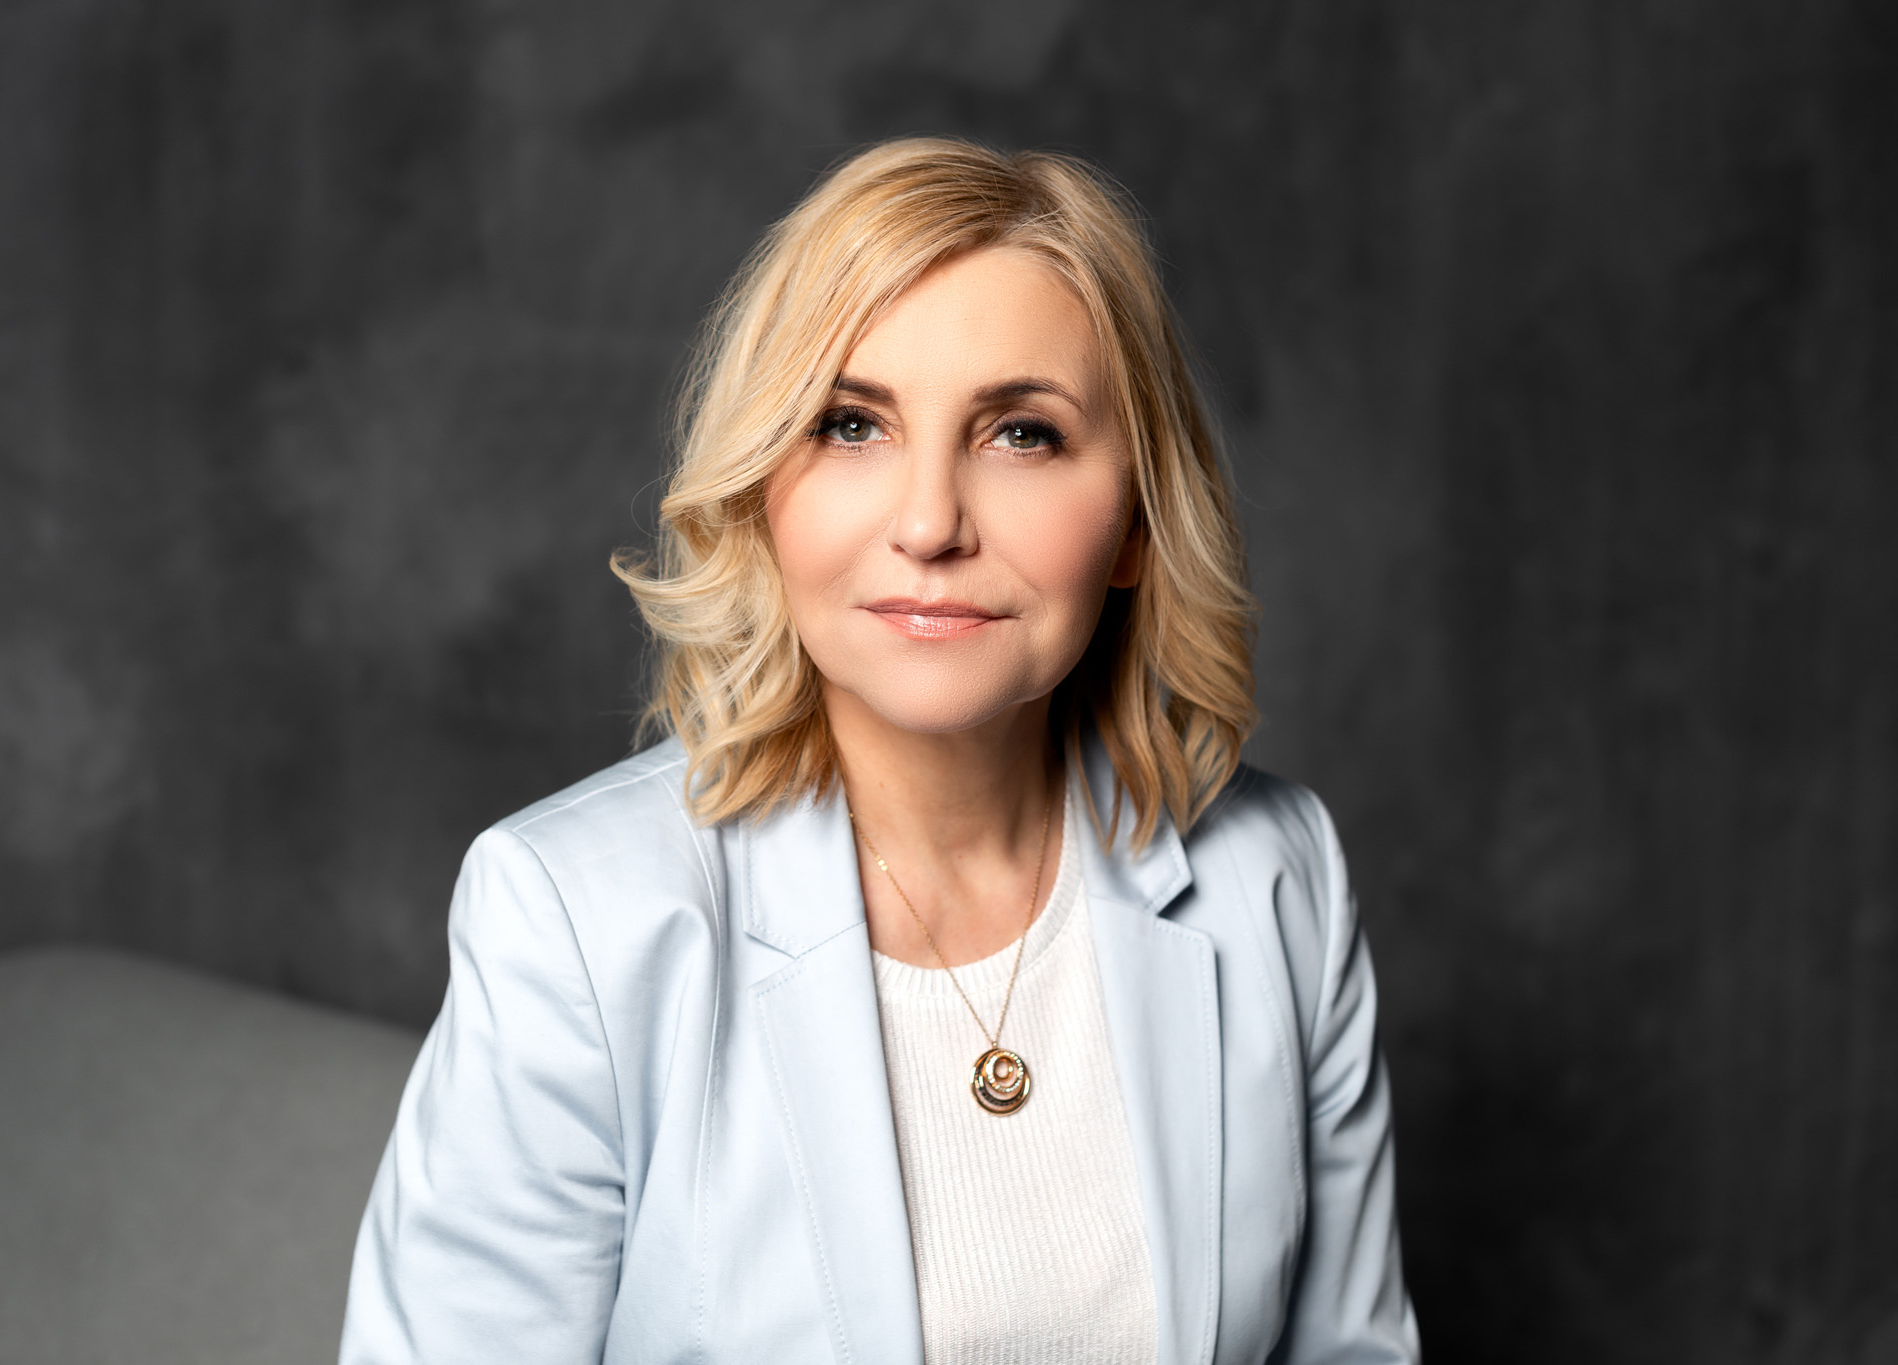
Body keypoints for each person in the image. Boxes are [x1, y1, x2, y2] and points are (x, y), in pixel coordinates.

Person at [338, 137, 1420, 1365]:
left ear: (1134, 519)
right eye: (851, 425)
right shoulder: (574, 920)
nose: (927, 523)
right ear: (761, 492)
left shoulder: (1275, 877)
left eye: (1020, 435)